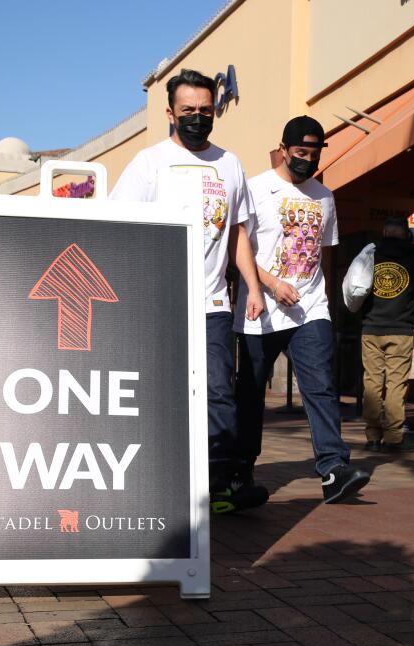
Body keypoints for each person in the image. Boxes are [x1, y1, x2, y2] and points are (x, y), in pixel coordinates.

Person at [111, 68, 268, 515]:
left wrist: (252, 288)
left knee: (219, 391)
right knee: (156, 395)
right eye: (188, 111)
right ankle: (151, 481)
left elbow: (237, 233)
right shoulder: (149, 163)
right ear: (170, 113)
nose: (198, 118)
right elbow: (119, 229)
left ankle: (218, 485)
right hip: (157, 305)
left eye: (204, 110)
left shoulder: (229, 163)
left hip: (212, 304)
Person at [234, 115, 371, 503]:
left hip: (310, 309)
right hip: (261, 307)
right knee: (249, 394)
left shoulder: (324, 196)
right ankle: (239, 472)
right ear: (283, 148)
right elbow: (238, 249)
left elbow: (323, 255)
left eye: (313, 154)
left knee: (321, 387)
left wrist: (322, 300)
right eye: (300, 153)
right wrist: (271, 285)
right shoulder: (256, 189)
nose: (307, 160)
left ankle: (333, 469)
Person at [359, 217, 414, 453]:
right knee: (396, 385)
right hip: (401, 329)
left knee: (372, 382)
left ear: (384, 231)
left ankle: (372, 437)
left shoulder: (371, 255)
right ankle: (394, 438)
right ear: (406, 234)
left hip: (371, 327)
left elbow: (357, 290)